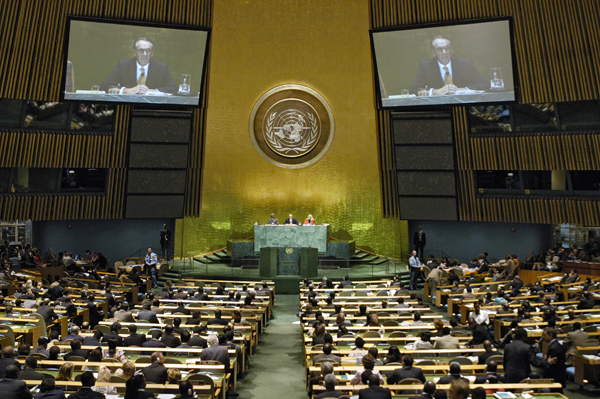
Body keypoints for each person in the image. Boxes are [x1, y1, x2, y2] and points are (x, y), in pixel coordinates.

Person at [409, 35, 487, 95]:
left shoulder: (465, 64)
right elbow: (413, 90)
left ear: (452, 49)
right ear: (433, 52)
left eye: (447, 48)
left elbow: (484, 85)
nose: (444, 52)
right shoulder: (425, 66)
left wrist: (462, 90)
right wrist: (436, 91)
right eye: (440, 49)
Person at [100, 37, 177, 94]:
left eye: (148, 51)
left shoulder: (162, 68)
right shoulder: (123, 66)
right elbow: (105, 86)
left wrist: (153, 91)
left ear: (152, 53)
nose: (145, 54)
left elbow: (173, 89)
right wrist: (127, 90)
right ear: (134, 52)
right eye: (141, 51)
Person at [539, 328, 567, 392]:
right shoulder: (556, 344)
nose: (544, 337)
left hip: (555, 377)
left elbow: (552, 365)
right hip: (559, 376)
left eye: (545, 335)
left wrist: (545, 361)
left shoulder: (554, 348)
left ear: (550, 335)